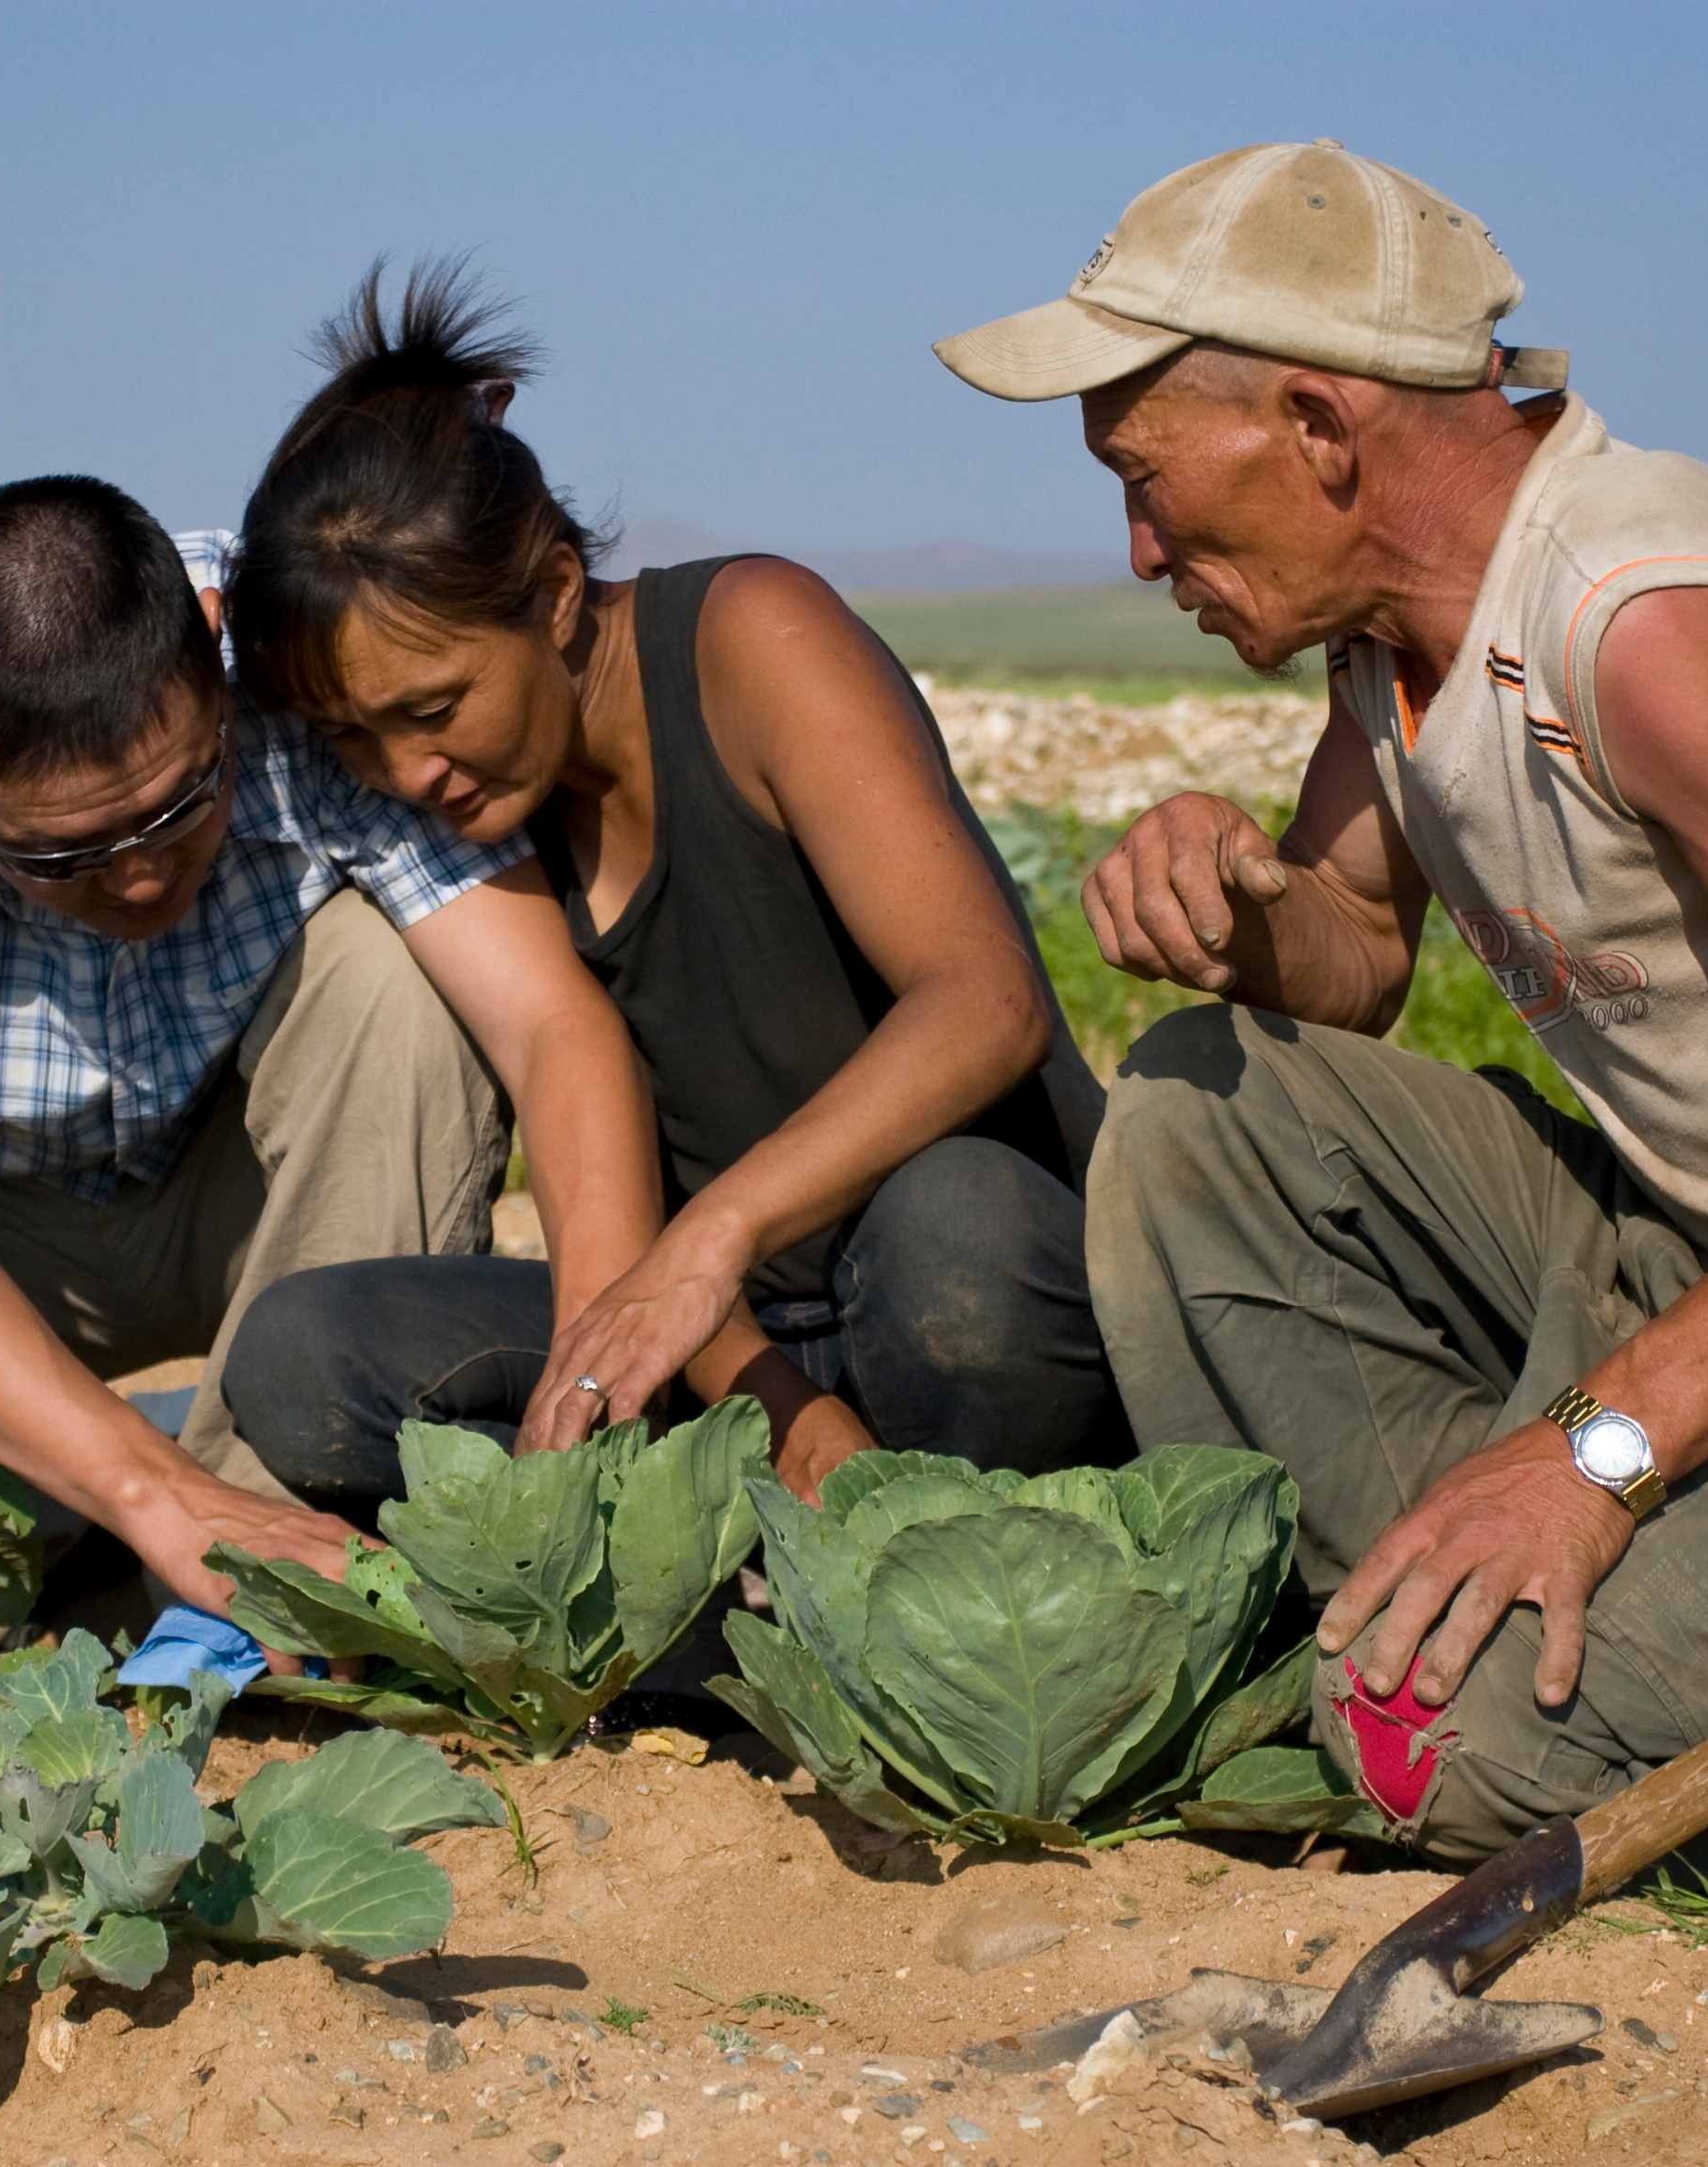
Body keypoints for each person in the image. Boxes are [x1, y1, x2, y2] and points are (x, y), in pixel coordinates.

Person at [935, 142, 1708, 1920]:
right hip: (1665, 1261)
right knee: (1200, 1105)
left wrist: (1597, 1453)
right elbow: (1353, 951)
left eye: (1141, 481)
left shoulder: (1634, 621)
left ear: (1315, 427)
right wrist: (1242, 901)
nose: (1136, 554)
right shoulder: (1394, 628)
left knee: (1414, 1752)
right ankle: (1473, 1587)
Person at [0, 476, 657, 1625]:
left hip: (273, 1194)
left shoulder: (304, 650)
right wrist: (149, 1492)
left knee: (398, 974)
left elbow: (552, 1028)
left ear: (213, 654)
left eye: (180, 804)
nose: (144, 875)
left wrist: (598, 1389)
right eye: (63, 853)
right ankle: (98, 1518)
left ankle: (295, 1534)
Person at [213, 265, 1126, 1519]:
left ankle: (973, 1567)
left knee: (952, 1228)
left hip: (972, 1313)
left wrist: (713, 1244)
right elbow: (614, 1214)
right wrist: (774, 1405)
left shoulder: (751, 636)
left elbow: (986, 1003)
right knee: (309, 1358)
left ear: (554, 593)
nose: (406, 773)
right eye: (355, 739)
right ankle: (743, 1602)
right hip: (729, 1351)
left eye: (432, 709)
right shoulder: (485, 810)